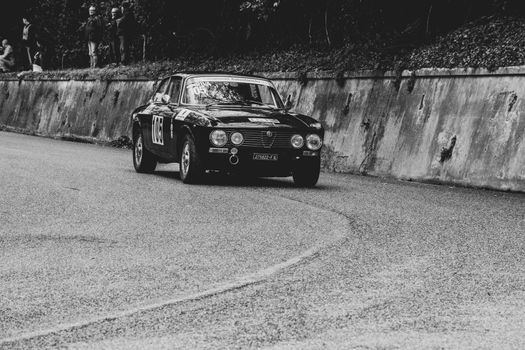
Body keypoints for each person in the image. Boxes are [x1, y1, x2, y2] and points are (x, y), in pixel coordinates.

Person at [116, 1, 138, 65]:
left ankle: (124, 62)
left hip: (124, 33)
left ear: (123, 7)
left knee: (123, 48)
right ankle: (125, 61)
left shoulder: (127, 13)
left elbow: (121, 22)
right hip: (124, 33)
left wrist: (118, 21)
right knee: (124, 48)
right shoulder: (128, 13)